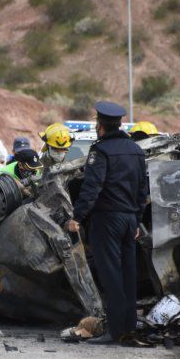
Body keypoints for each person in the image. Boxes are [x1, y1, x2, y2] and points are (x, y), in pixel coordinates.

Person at [67, 101, 148, 345]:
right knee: (127, 274)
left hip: (107, 220)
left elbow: (92, 188)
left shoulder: (100, 151)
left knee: (110, 274)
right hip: (129, 219)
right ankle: (128, 329)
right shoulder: (136, 150)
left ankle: (114, 331)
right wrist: (137, 220)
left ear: (100, 126)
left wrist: (77, 217)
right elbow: (142, 190)